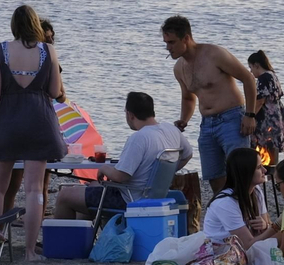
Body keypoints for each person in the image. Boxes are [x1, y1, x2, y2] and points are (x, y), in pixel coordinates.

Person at [0, 5, 67, 262]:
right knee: (34, 190)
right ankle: (30, 251)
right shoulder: (48, 51)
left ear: (14, 26)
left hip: (8, 122)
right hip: (39, 121)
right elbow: (54, 92)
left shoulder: (1, 50)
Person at [53, 92, 192, 220]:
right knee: (92, 186)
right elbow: (187, 155)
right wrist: (163, 175)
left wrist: (103, 169)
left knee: (64, 196)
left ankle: (60, 239)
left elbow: (120, 176)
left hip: (129, 199)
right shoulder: (172, 130)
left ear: (130, 115)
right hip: (155, 196)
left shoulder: (140, 138)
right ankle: (83, 237)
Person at [162, 15, 259, 196]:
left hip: (232, 119)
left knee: (241, 173)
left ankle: (250, 210)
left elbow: (248, 79)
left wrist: (250, 115)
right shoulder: (179, 68)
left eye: (172, 42)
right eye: (166, 42)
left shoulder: (214, 54)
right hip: (206, 125)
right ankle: (225, 211)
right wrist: (184, 120)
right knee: (214, 177)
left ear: (186, 38)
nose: (168, 47)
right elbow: (188, 98)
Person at [202, 148, 275, 248]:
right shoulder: (225, 203)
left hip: (243, 248)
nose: (265, 170)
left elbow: (266, 224)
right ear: (246, 172)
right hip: (221, 252)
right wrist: (276, 226)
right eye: (259, 167)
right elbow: (247, 244)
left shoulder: (256, 191)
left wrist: (265, 226)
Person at [247, 51, 284, 163]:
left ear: (256, 65)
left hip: (266, 118)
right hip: (276, 116)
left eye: (251, 67)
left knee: (262, 147)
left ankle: (261, 169)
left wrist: (250, 116)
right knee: (272, 150)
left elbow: (260, 101)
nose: (251, 71)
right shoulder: (273, 76)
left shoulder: (263, 78)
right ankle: (272, 171)